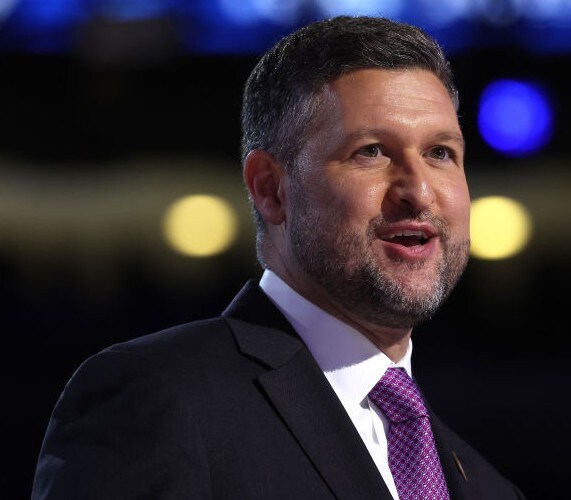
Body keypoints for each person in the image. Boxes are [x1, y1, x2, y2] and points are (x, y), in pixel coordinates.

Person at [32, 16, 525, 500]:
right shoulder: (159, 398)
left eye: (440, 153)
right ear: (270, 189)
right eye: (371, 151)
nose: (419, 191)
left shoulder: (487, 487)